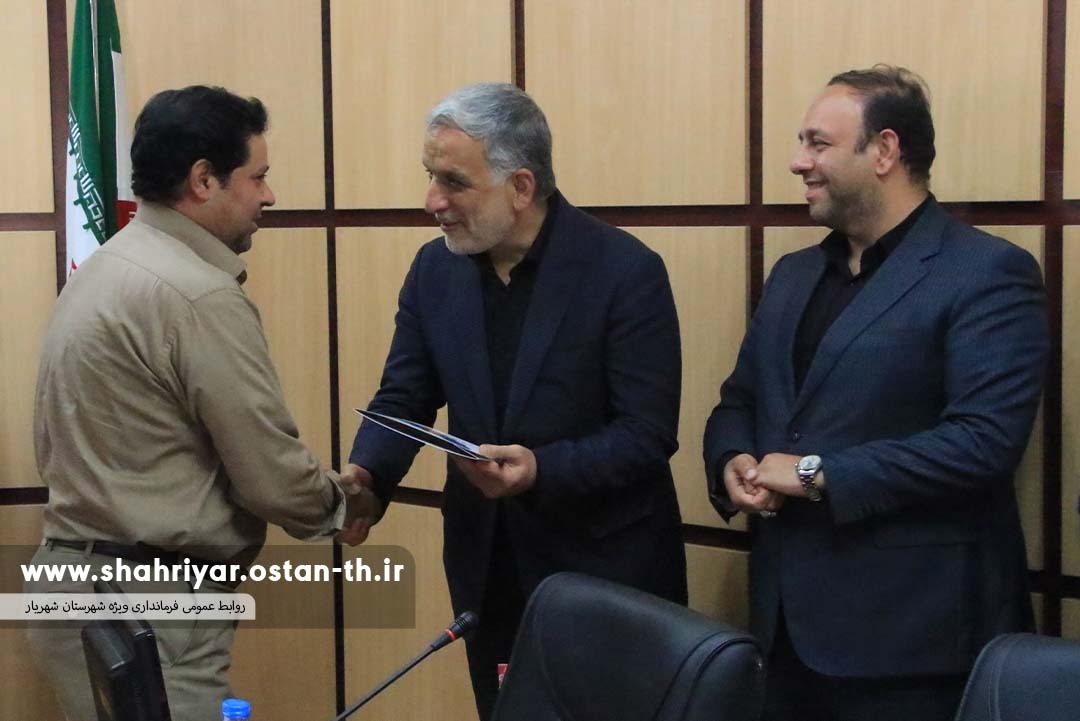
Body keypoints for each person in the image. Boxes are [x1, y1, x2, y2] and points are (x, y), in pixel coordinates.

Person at [703, 65, 1048, 721]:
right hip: (782, 634)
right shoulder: (793, 274)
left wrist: (816, 474)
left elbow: (984, 442)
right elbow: (740, 399)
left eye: (818, 143)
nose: (797, 161)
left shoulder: (987, 272)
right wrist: (731, 460)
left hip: (911, 644)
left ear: (885, 150)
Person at [26, 85, 377, 721]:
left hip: (78, 588)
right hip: (146, 610)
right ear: (204, 180)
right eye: (257, 176)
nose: (269, 195)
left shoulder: (107, 266)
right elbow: (268, 474)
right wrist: (342, 503)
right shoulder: (196, 295)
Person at [344, 82, 687, 720]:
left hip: (604, 574)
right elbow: (404, 394)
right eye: (430, 177)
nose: (433, 201)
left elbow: (646, 433)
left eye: (454, 182)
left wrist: (539, 470)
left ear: (521, 187)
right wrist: (368, 477)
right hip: (487, 569)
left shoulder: (624, 270)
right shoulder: (434, 270)